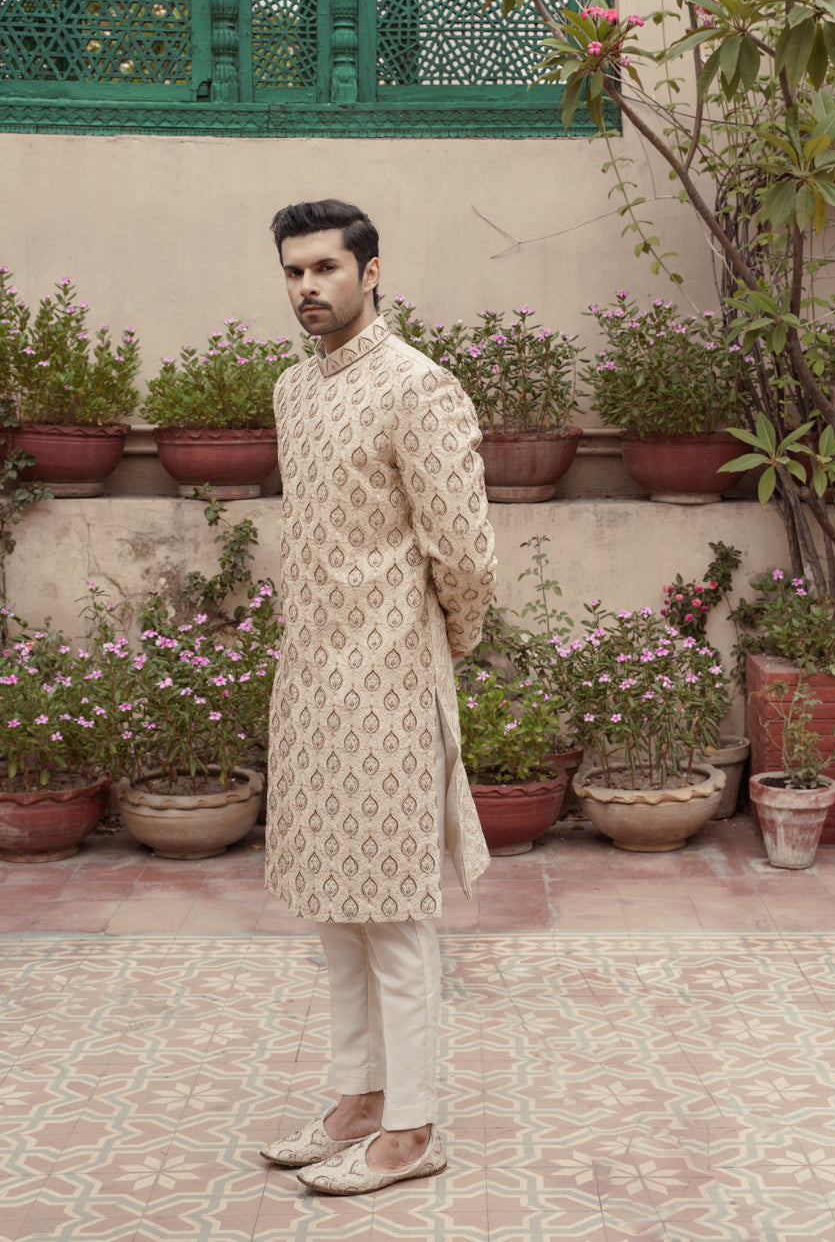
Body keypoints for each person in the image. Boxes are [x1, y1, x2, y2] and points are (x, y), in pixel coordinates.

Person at [259, 198, 495, 1195]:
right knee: (330, 905)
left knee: (393, 910)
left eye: (325, 269)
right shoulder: (292, 391)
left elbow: (464, 551)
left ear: (370, 271)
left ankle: (412, 1126)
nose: (308, 287)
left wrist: (442, 647)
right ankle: (356, 1097)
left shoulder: (417, 387)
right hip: (308, 684)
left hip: (389, 681)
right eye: (293, 272)